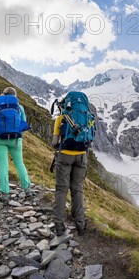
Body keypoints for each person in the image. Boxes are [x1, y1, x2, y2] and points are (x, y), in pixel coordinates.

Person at [51, 92, 96, 236]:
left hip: (65, 156)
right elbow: (91, 138)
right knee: (77, 189)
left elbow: (54, 143)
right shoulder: (89, 118)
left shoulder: (62, 118)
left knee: (61, 189)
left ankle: (59, 225)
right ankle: (80, 225)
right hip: (81, 157)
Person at [0, 87, 31, 202]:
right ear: (15, 96)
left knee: (3, 165)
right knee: (19, 163)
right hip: (15, 140)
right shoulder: (19, 107)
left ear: (3, 94)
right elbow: (23, 124)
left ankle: (5, 194)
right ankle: (27, 189)